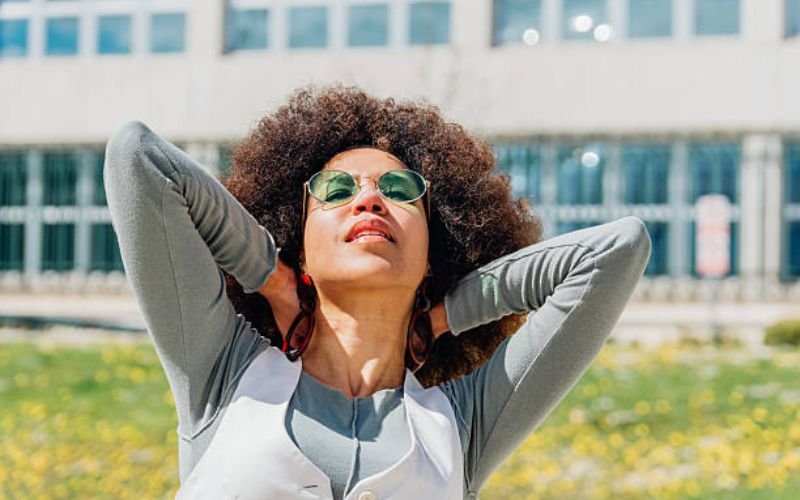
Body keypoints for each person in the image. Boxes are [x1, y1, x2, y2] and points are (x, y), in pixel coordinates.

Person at [103, 86, 651, 500]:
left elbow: (616, 252)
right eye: (335, 191)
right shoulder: (222, 372)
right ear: (301, 244)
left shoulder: (462, 425)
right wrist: (273, 277)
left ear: (433, 253)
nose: (368, 199)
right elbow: (138, 158)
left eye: (400, 190)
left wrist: (441, 314)